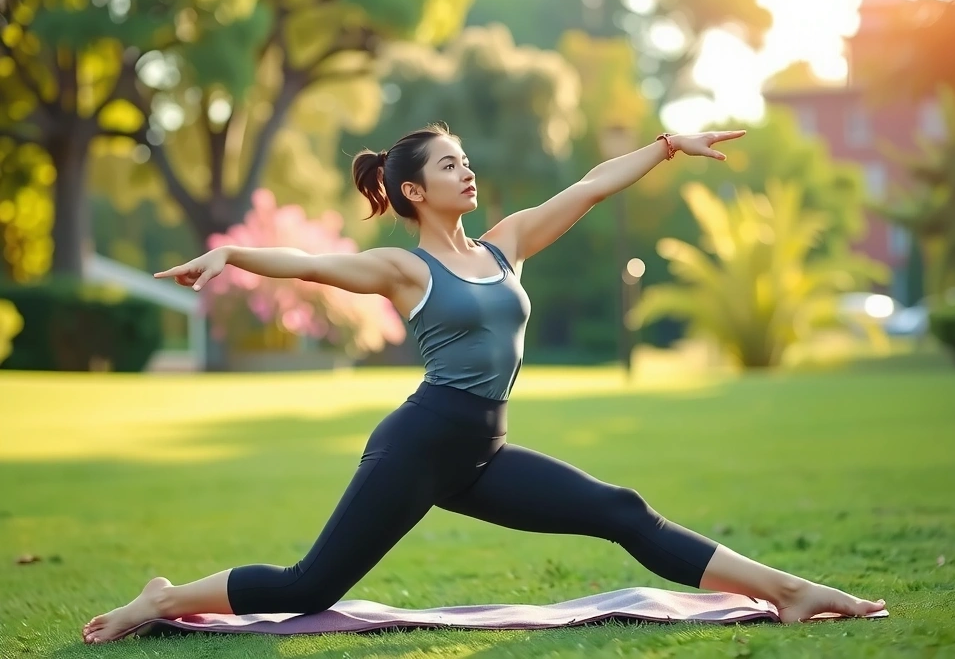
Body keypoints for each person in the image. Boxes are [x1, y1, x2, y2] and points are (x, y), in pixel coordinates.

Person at [82, 123, 886, 644]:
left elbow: (590, 187)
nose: (467, 171)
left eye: (467, 158)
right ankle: (160, 599)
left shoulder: (505, 248)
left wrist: (666, 147)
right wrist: (232, 256)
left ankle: (789, 591)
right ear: (411, 191)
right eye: (449, 165)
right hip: (421, 444)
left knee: (622, 511)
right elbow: (317, 264)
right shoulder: (406, 267)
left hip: (483, 450)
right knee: (310, 585)